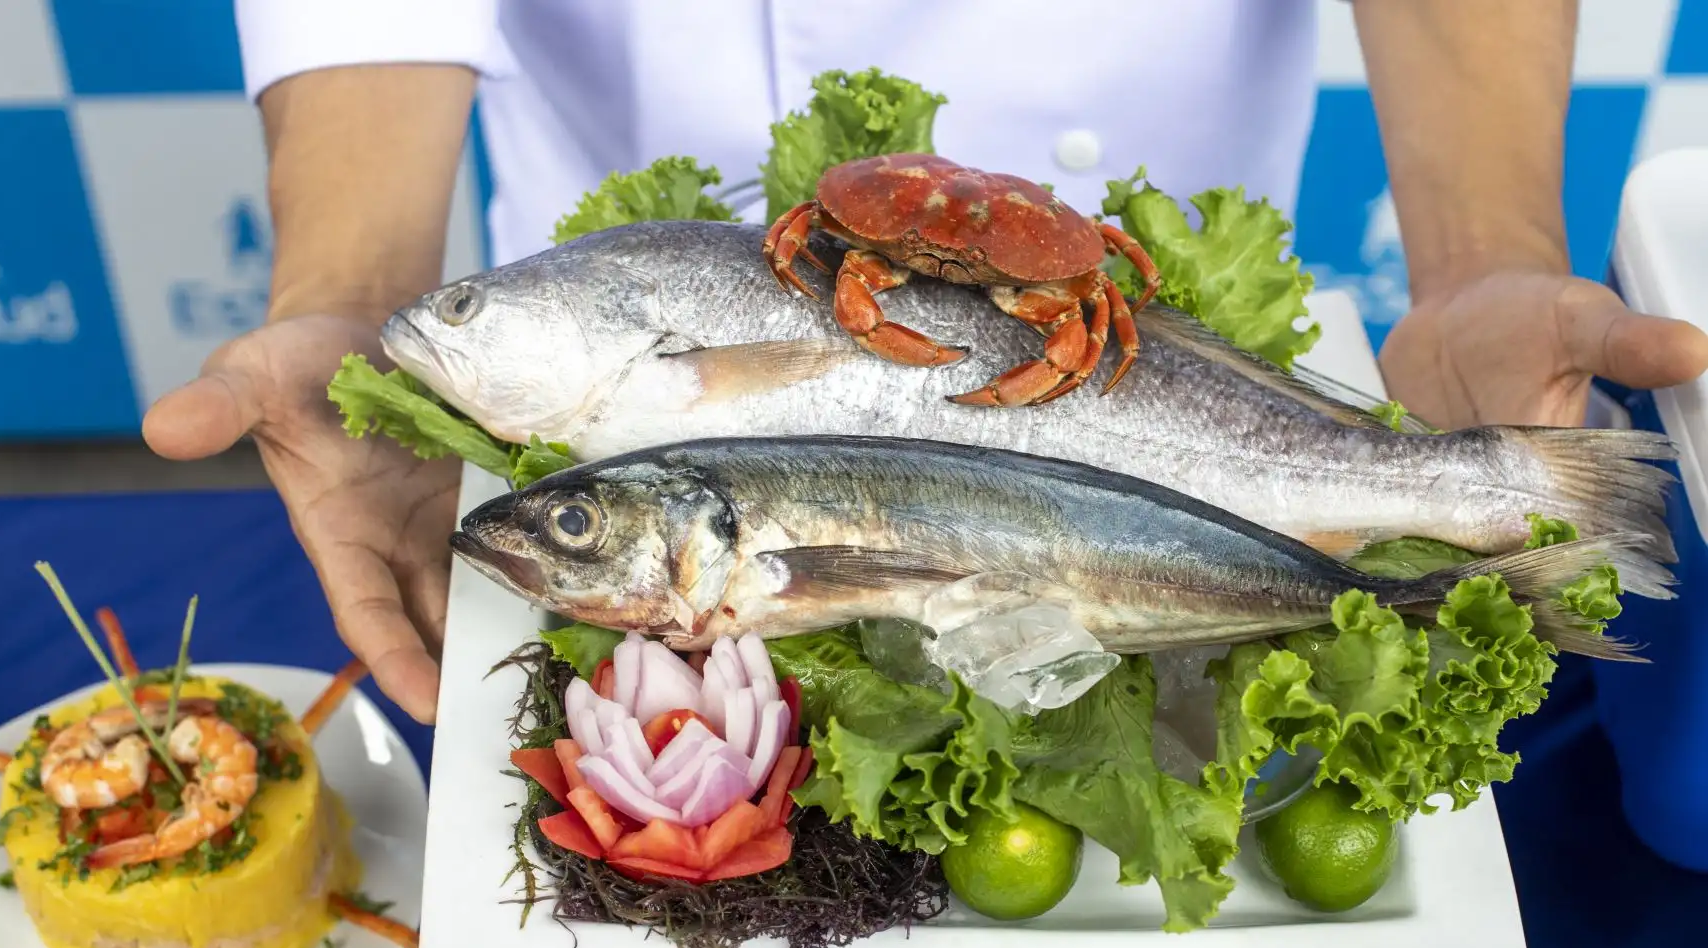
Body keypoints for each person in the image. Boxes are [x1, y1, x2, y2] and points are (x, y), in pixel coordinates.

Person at [144, 0, 1708, 726]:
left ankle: (1490, 496)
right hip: (644, 195)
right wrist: (362, 295)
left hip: (1126, 267)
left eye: (469, 319)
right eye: (473, 321)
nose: (451, 331)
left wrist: (1490, 255)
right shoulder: (643, 332)